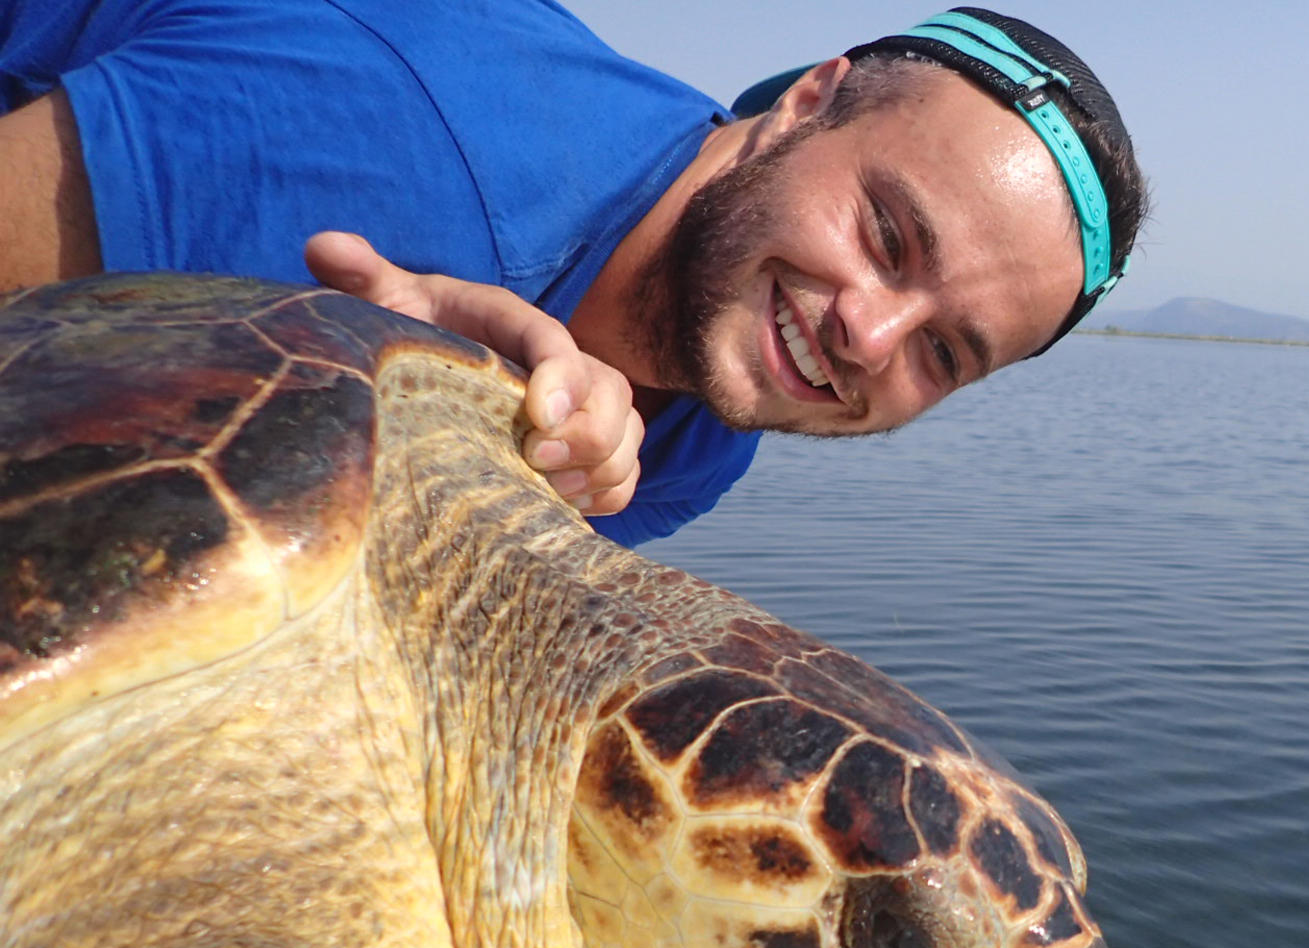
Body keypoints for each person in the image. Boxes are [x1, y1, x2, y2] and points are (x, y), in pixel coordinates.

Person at [0, 2, 1147, 545]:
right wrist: (283, 356)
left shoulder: (700, 426)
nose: (871, 337)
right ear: (803, 101)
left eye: (944, 352)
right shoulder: (387, 149)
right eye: (889, 235)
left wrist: (460, 487)